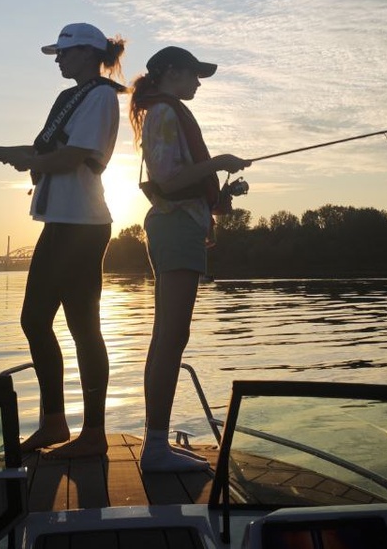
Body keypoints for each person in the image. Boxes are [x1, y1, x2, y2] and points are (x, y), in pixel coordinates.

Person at [0, 22, 126, 458]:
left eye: (63, 53)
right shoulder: (68, 98)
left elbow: (71, 157)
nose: (58, 59)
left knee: (63, 324)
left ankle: (88, 434)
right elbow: (42, 154)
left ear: (87, 53)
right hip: (63, 222)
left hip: (80, 225)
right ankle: (59, 425)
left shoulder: (102, 95)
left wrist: (17, 156)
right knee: (54, 323)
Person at [129, 46, 250, 472]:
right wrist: (219, 162)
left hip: (181, 226)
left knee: (168, 337)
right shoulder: (163, 113)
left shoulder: (164, 110)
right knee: (170, 337)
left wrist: (210, 211)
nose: (199, 82)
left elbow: (180, 179)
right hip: (174, 227)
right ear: (170, 73)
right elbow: (167, 177)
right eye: (194, 74)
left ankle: (155, 444)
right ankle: (156, 449)